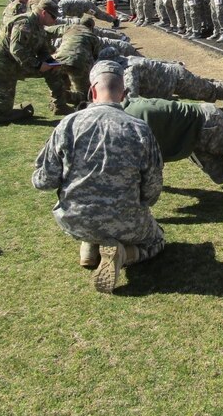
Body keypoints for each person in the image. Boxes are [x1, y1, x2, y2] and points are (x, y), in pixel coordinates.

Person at [32, 60, 165, 294]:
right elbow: (152, 188)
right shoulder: (139, 129)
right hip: (127, 222)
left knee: (92, 220)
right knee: (157, 239)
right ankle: (123, 253)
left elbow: (44, 181)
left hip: (75, 220)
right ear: (124, 94)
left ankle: (89, 247)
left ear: (92, 90)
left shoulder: (68, 124)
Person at [110, 50, 223, 108]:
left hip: (176, 80)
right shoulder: (128, 59)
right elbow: (152, 60)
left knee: (209, 91)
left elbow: (131, 99)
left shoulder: (128, 70)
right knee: (207, 85)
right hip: (173, 78)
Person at [52, 21, 141, 105]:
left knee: (63, 80)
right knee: (85, 93)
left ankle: (59, 98)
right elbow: (94, 57)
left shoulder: (71, 30)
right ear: (91, 27)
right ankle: (64, 95)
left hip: (59, 61)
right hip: (80, 61)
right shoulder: (93, 37)